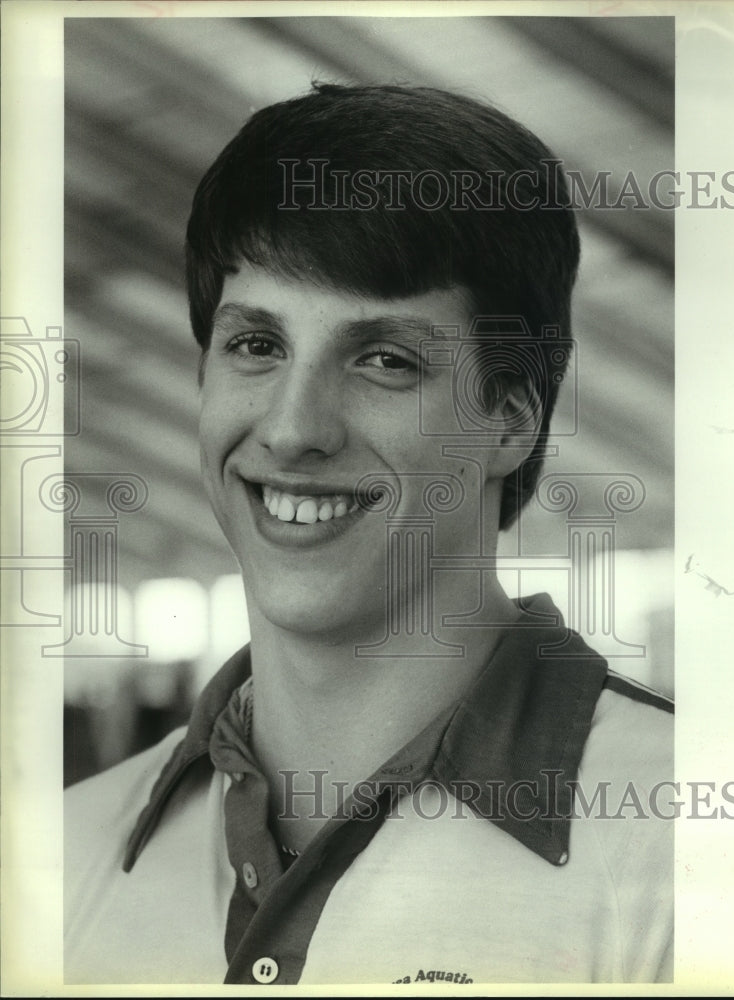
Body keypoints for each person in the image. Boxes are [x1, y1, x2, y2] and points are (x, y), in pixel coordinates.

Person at [65, 83, 673, 985]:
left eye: (384, 360)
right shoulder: (61, 856)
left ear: (510, 418)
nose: (291, 428)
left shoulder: (708, 859)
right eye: (256, 346)